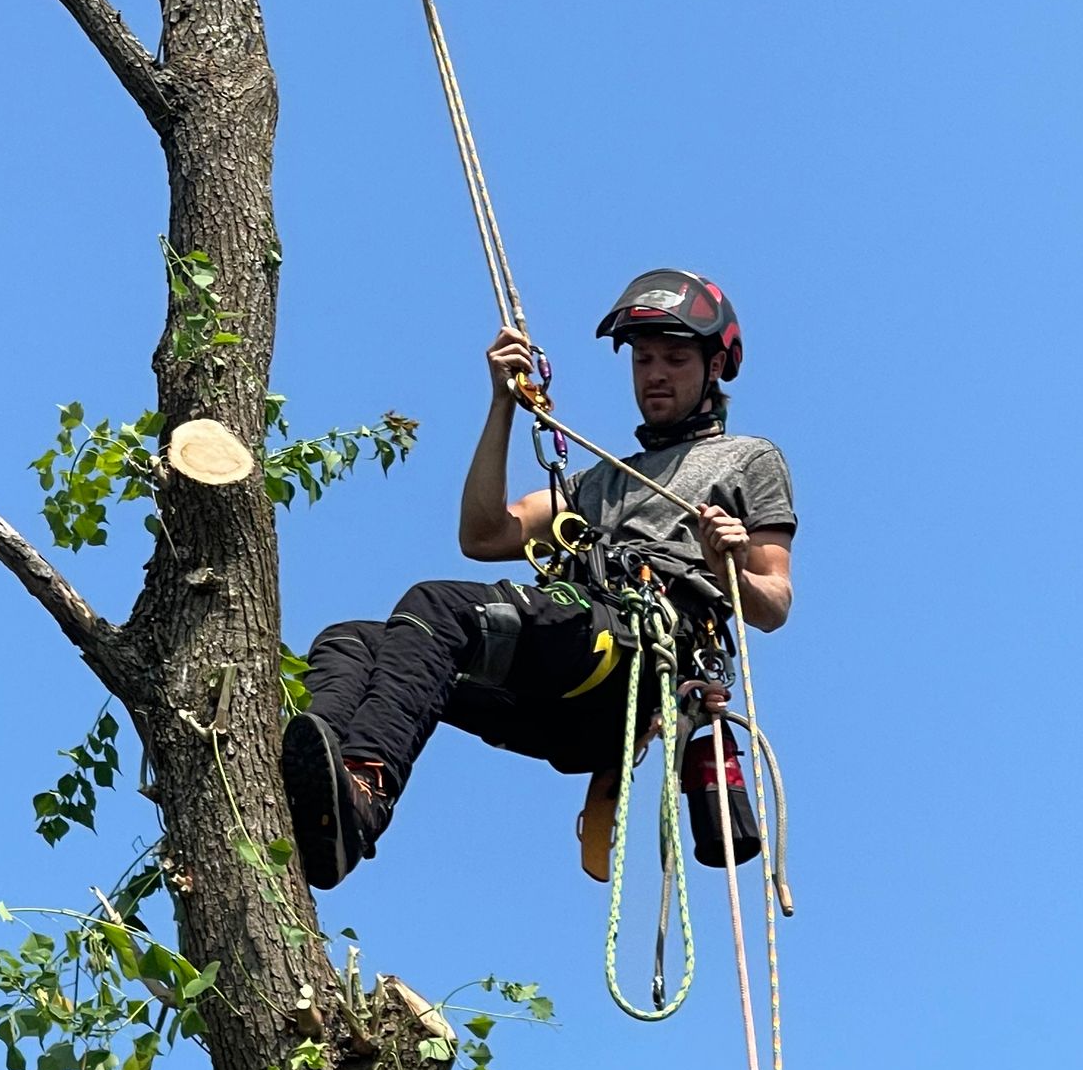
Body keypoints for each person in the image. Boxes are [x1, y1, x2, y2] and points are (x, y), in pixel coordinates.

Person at [282, 269, 796, 890]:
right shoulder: (598, 482)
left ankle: (366, 789)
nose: (655, 373)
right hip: (557, 691)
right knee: (354, 640)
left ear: (715, 366)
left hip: (626, 659)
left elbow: (772, 603)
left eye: (675, 359)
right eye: (644, 359)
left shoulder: (748, 459)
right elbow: (484, 535)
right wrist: (502, 406)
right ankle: (317, 806)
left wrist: (727, 561)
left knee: (435, 606)